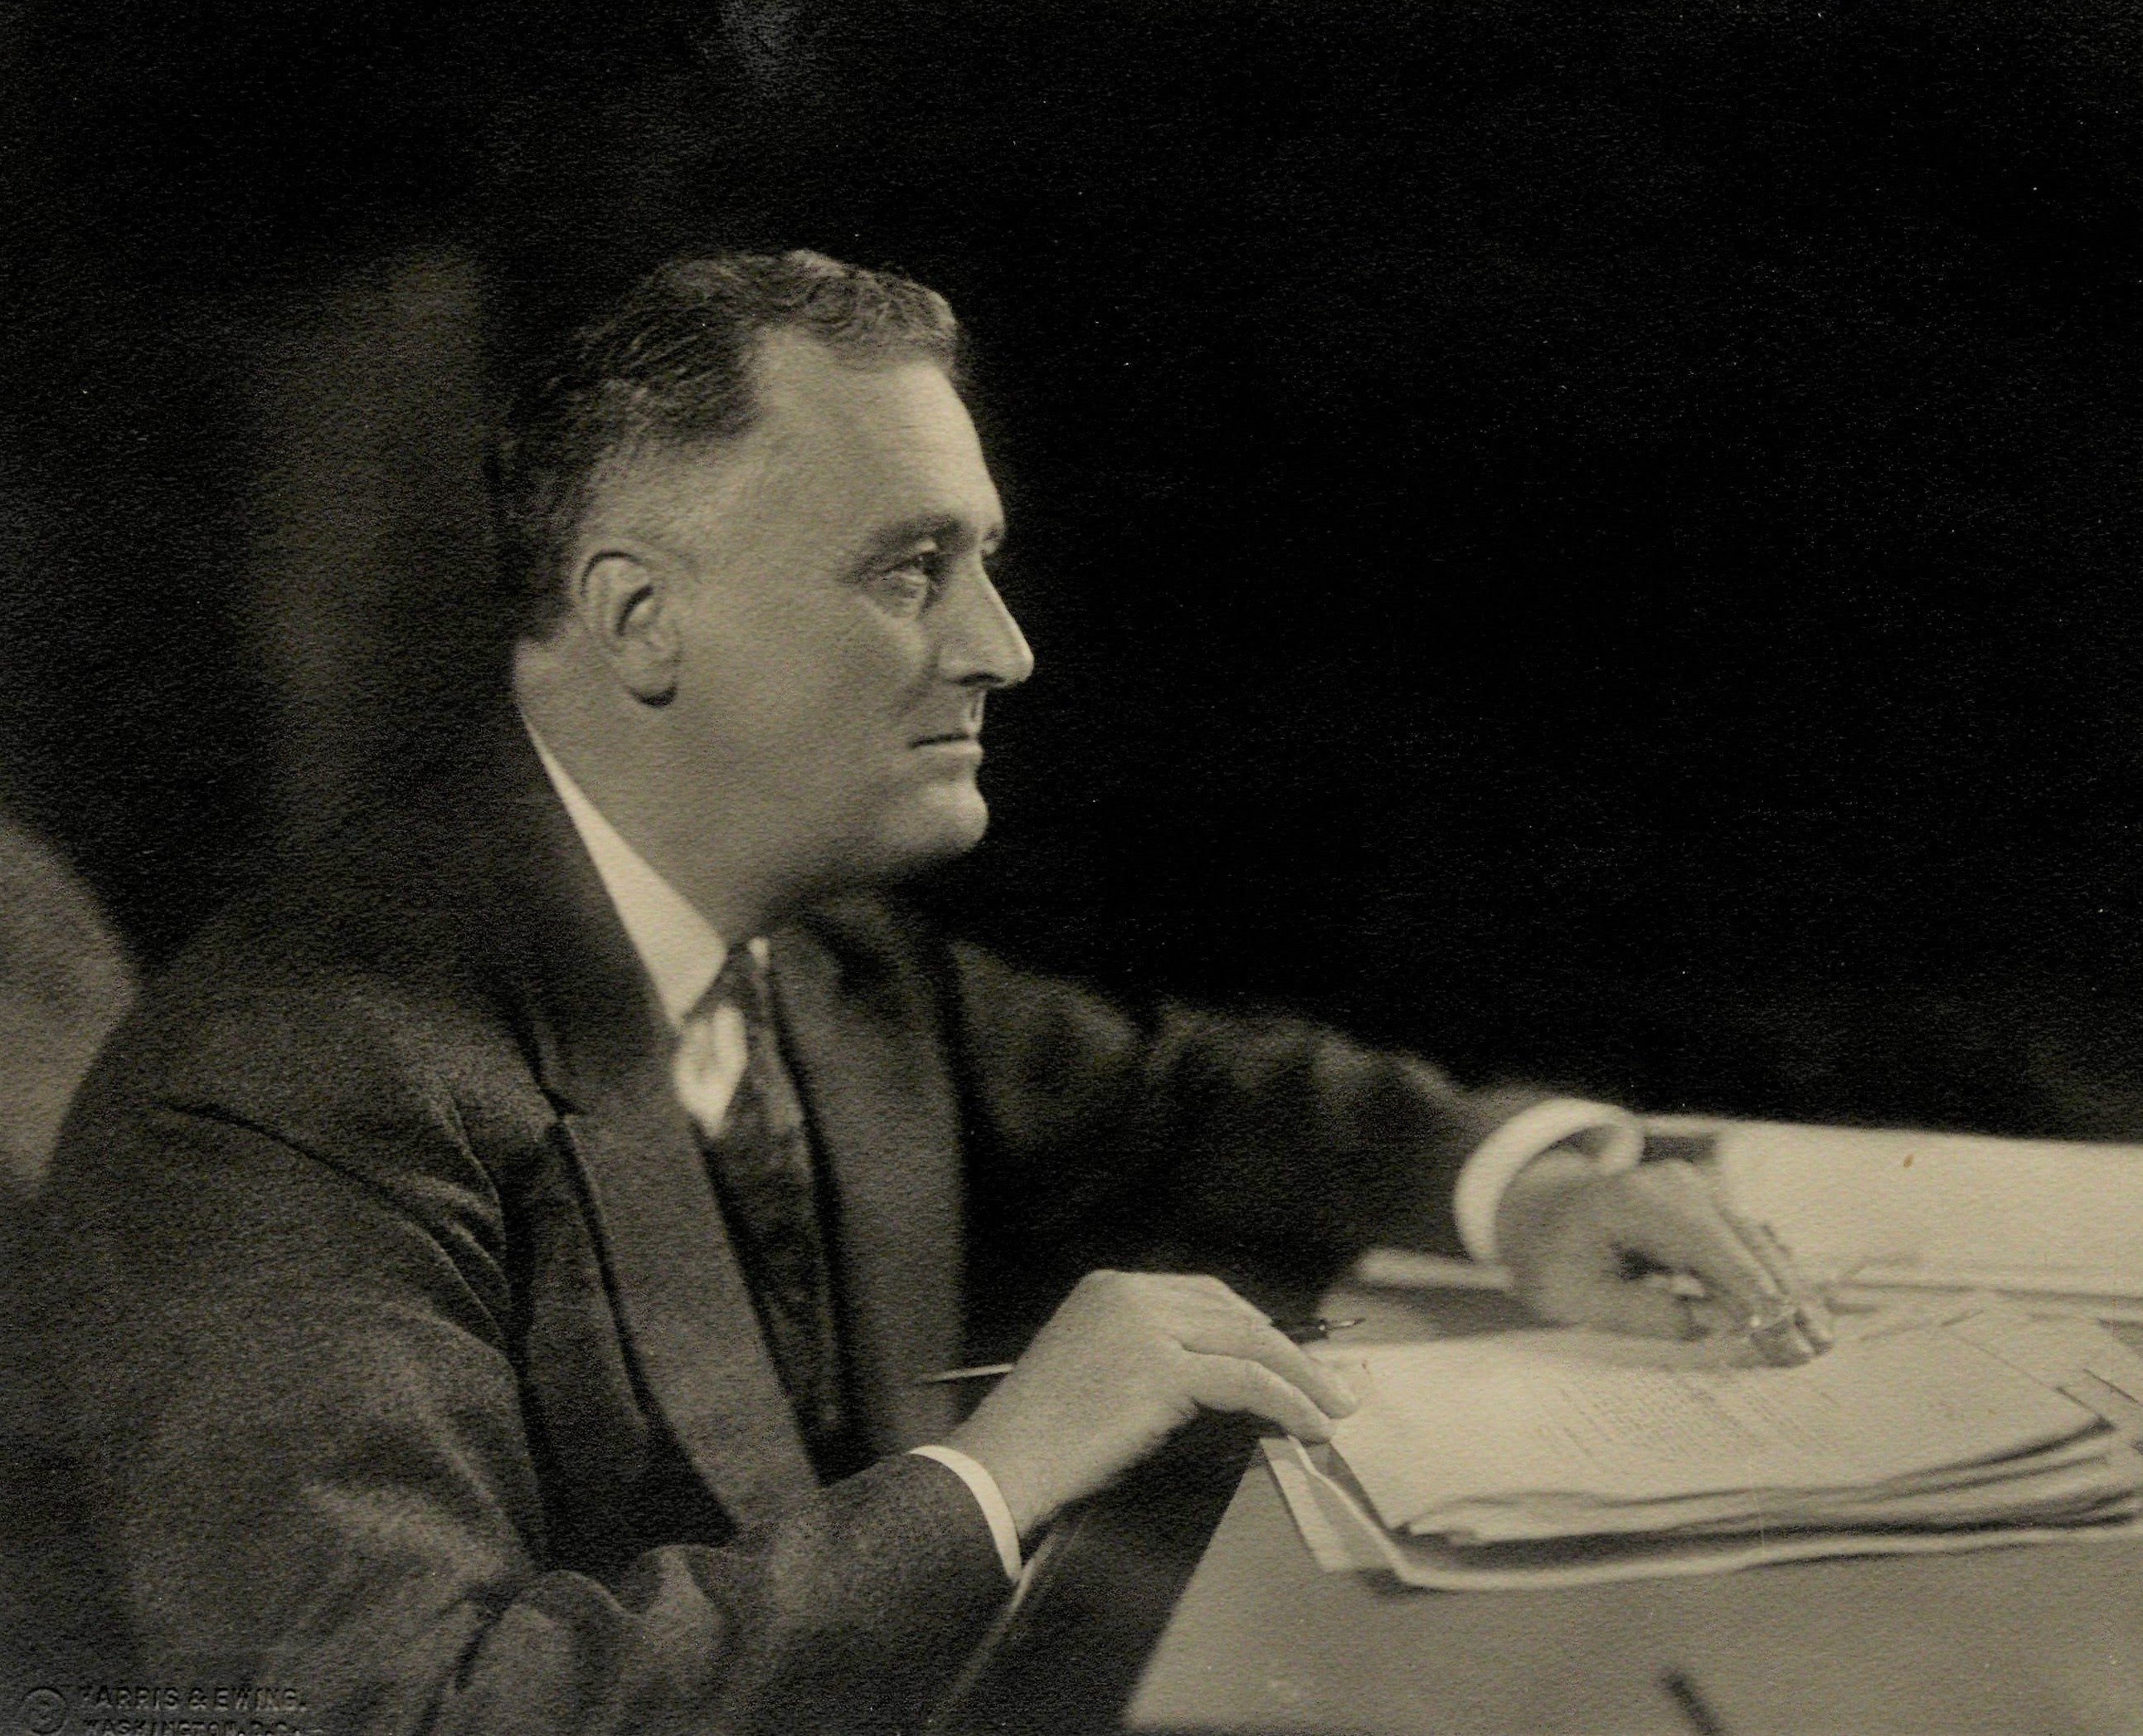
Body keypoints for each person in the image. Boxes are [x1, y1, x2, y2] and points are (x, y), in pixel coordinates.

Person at [40, 251, 1828, 1734]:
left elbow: (1161, 1090)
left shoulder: (811, 944)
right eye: (912, 571)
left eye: (981, 561)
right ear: (641, 621)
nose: (1002, 647)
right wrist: (995, 1475)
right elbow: (392, 1714)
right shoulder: (282, 1094)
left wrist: (1521, 1189)